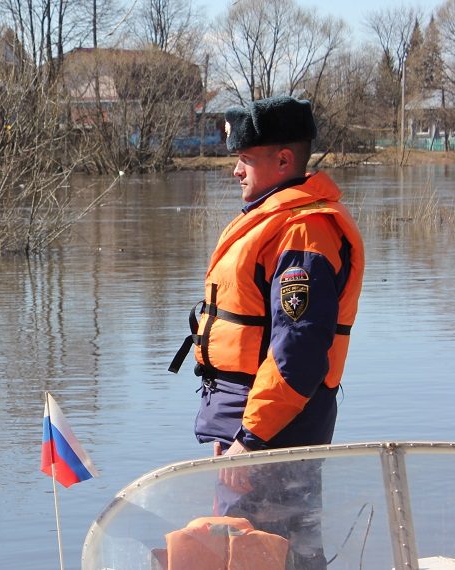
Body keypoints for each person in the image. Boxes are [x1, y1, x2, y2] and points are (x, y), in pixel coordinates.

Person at [169, 95, 365, 569]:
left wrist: (251, 440)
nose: (236, 171)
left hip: (273, 432)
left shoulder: (303, 233)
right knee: (252, 548)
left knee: (269, 552)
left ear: (282, 161)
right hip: (251, 424)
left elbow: (297, 353)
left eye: (244, 160)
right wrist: (232, 433)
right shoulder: (277, 223)